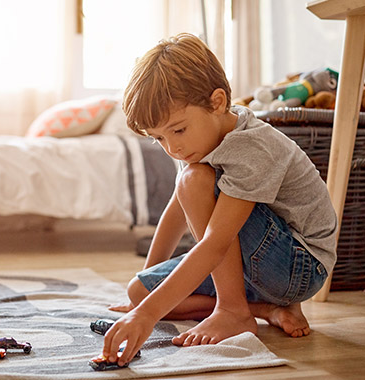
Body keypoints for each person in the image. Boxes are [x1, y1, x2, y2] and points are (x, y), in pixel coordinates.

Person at [102, 33, 338, 367]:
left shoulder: (250, 146)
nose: (172, 148)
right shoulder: (200, 138)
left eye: (178, 131)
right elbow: (176, 210)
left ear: (216, 102)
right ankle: (265, 310)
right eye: (159, 139)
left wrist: (147, 317)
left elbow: (215, 243)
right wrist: (146, 297)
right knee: (138, 291)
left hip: (299, 265)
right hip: (258, 267)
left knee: (194, 180)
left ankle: (232, 309)